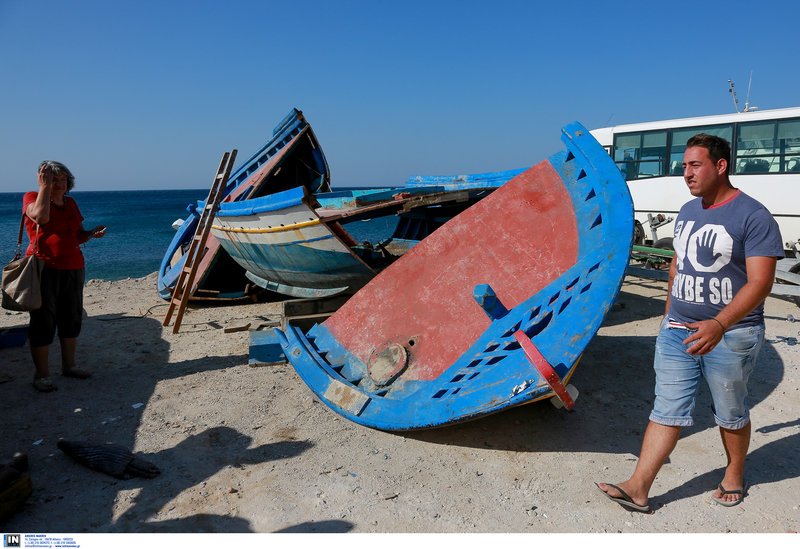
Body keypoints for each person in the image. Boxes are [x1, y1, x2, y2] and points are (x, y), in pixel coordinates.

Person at [596, 134, 784, 511]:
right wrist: (669, 314)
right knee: (666, 408)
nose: (687, 173)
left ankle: (734, 472)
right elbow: (678, 264)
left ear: (721, 165)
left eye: (695, 165)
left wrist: (719, 323)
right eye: (684, 166)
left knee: (730, 413)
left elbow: (761, 281)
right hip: (678, 331)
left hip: (731, 335)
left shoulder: (754, 215)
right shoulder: (688, 210)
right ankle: (638, 486)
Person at [23, 161, 107, 392]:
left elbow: (76, 236)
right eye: (53, 178)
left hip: (73, 267)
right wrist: (44, 189)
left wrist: (90, 234)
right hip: (44, 268)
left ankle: (69, 366)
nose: (59, 183)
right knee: (43, 320)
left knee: (71, 317)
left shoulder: (70, 203)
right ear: (42, 180)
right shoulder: (32, 197)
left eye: (62, 179)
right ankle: (41, 375)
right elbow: (40, 218)